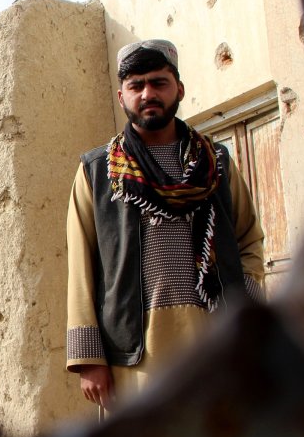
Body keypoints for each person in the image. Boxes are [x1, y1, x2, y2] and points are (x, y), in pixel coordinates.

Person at [65, 39, 265, 412]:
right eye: (136, 85)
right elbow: (81, 266)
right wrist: (89, 357)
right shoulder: (97, 171)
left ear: (179, 89)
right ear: (121, 96)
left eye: (159, 83)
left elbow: (249, 238)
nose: (148, 94)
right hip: (136, 355)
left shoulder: (216, 162)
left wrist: (245, 304)